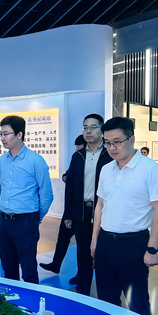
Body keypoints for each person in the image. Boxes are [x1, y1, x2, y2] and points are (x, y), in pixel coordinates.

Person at [91, 117, 158, 315]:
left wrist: (152, 249)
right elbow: (100, 205)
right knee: (106, 300)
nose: (112, 148)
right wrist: (95, 240)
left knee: (137, 304)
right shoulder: (106, 169)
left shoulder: (151, 169)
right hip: (105, 242)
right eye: (107, 143)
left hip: (133, 245)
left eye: (117, 142)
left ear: (132, 139)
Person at [56, 115, 112, 296]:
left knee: (103, 254)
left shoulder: (110, 155)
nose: (88, 131)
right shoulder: (78, 156)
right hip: (81, 212)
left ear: (102, 130)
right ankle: (83, 292)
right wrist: (68, 214)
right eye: (85, 127)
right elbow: (70, 187)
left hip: (105, 213)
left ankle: (106, 296)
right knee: (83, 253)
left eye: (93, 127)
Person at [0, 115, 53, 284]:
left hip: (26, 221)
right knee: (8, 270)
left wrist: (36, 218)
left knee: (29, 272)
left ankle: (31, 301)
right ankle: (11, 300)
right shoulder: (2, 160)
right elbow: (2, 187)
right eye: (1, 134)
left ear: (19, 134)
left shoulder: (36, 161)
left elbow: (46, 194)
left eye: (6, 134)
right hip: (4, 221)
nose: (2, 138)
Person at [39, 135, 86, 279]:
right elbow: (69, 176)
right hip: (72, 208)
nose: (78, 152)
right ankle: (56, 264)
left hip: (85, 211)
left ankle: (81, 274)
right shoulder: (77, 157)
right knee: (62, 238)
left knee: (83, 246)